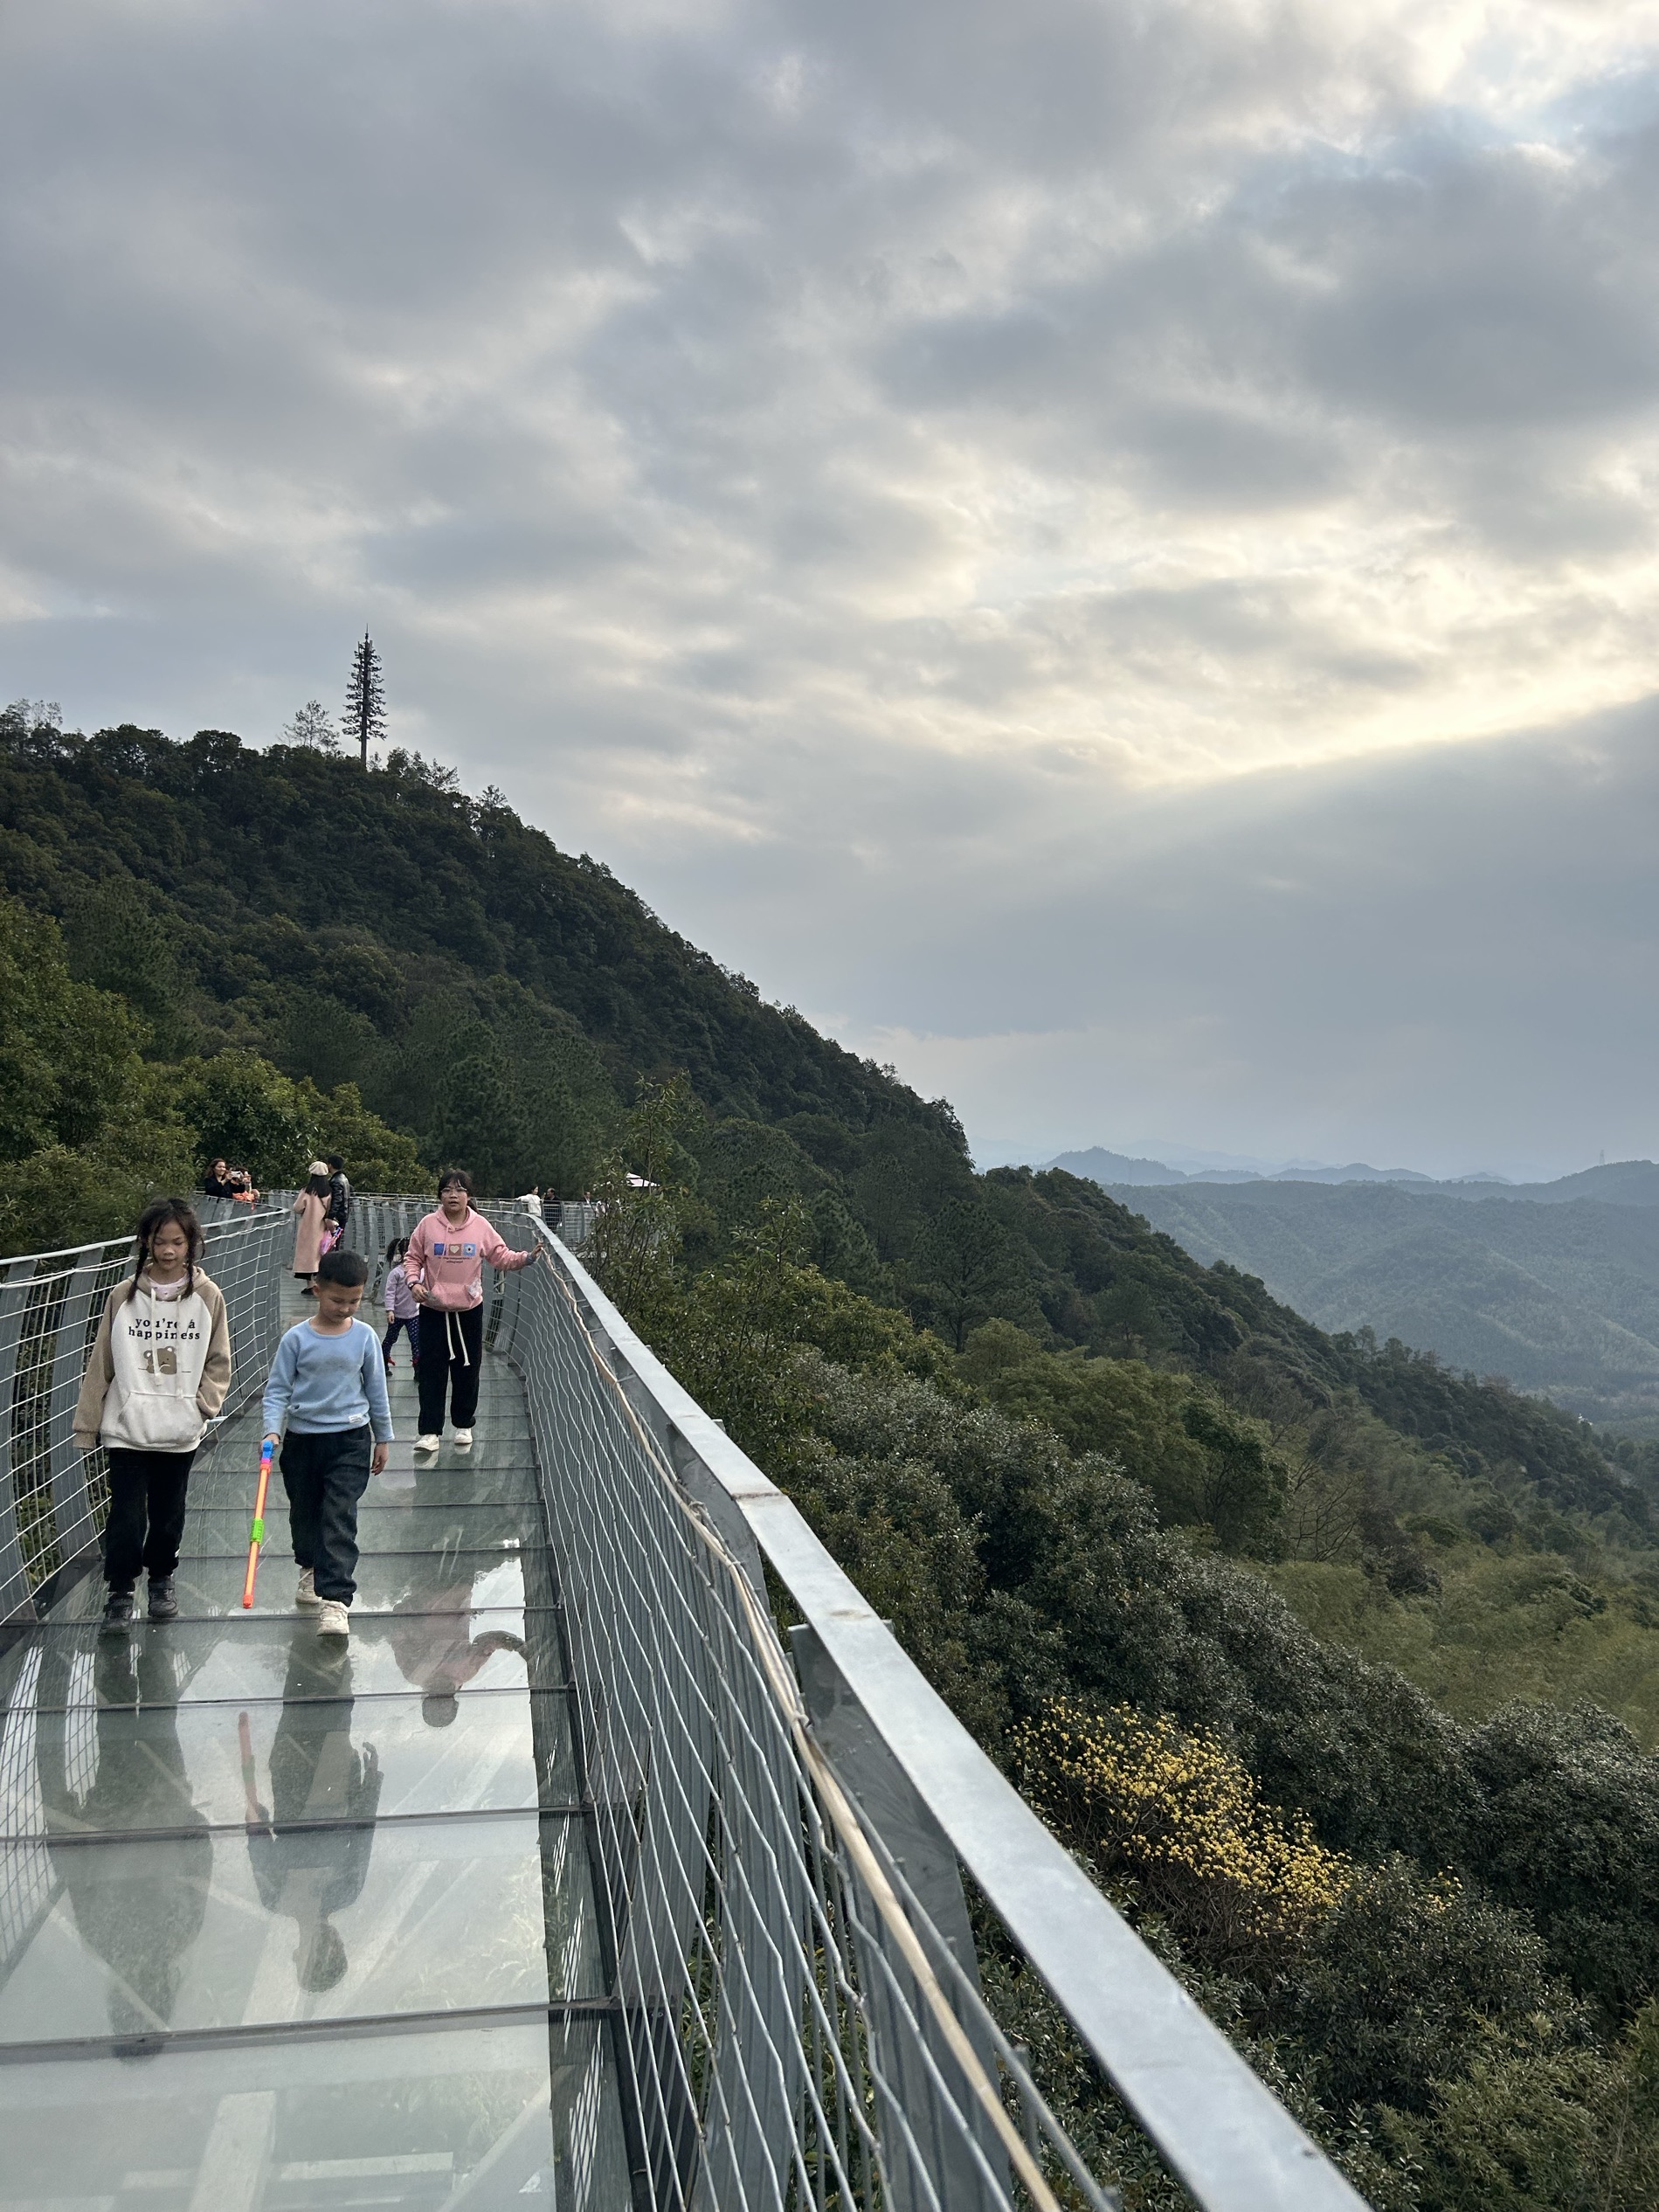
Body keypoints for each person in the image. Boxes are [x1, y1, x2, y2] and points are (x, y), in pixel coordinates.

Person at [72, 1197, 232, 1628]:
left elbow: (219, 1360)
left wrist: (203, 1406)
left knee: (168, 1514)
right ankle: (120, 1592)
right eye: (159, 1242)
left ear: (191, 1244)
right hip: (126, 1428)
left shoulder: (208, 1296)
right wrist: (87, 1426)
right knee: (125, 1514)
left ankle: (162, 1579)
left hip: (180, 1429)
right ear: (146, 1242)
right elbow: (101, 1363)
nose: (167, 1251)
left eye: (177, 1242)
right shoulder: (123, 1296)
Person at [261, 1246, 393, 1641]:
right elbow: (278, 1390)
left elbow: (376, 1389)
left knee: (339, 1514)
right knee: (305, 1512)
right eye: (338, 1300)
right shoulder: (296, 1339)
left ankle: (336, 1601)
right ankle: (309, 1567)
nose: (347, 1308)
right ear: (317, 1289)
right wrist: (272, 1429)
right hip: (302, 1440)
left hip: (351, 1439)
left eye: (355, 1301)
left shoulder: (365, 1337)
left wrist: (383, 1437)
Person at [404, 1170, 538, 1453]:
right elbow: (413, 1258)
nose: (453, 1195)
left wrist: (526, 1258)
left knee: (468, 1369)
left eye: (459, 1190)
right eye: (447, 1190)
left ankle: (464, 1425)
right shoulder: (428, 1225)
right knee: (431, 1372)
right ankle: (430, 1432)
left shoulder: (480, 1227)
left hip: (468, 1310)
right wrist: (413, 1282)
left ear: (469, 1195)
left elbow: (500, 1255)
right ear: (439, 1195)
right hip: (432, 1308)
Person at [291, 1164, 331, 1292]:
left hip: (308, 1228)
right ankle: (322, 1285)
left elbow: (297, 1208)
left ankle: (310, 1285)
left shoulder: (307, 1190)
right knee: (321, 1254)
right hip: (323, 1227)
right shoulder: (329, 1191)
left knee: (309, 1257)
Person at [382, 1235, 420, 1371]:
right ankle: (383, 1362)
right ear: (404, 1253)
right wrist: (390, 1310)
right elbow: (390, 1292)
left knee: (416, 1341)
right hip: (397, 1314)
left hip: (414, 1314)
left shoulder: (421, 1271)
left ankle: (418, 1368)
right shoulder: (396, 1273)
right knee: (390, 1339)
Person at [327, 1155, 352, 1233]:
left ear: (330, 1165)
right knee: (336, 1240)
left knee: (331, 1241)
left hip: (337, 1216)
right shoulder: (343, 1178)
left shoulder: (336, 1181)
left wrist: (330, 1216)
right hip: (343, 1214)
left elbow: (337, 1199)